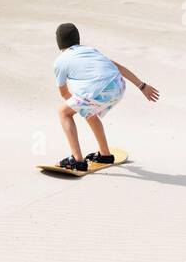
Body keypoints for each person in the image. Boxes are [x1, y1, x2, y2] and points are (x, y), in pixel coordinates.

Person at [51, 22, 159, 171]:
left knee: (63, 112)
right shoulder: (90, 51)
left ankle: (77, 160)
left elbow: (64, 93)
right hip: (118, 86)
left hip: (100, 89)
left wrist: (76, 105)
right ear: (78, 39)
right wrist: (142, 86)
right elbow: (118, 67)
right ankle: (105, 154)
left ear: (59, 42)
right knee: (88, 111)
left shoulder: (60, 61)